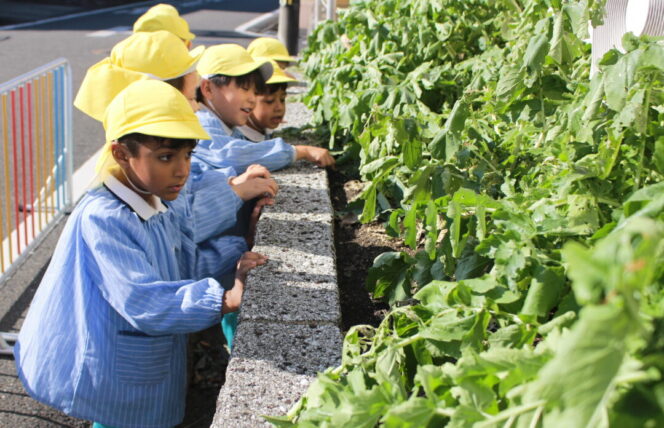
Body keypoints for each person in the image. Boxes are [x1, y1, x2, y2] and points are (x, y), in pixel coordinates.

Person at [14, 80, 267, 428]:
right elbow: (143, 300)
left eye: (188, 155)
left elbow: (185, 264)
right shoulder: (105, 218)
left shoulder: (157, 199)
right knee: (120, 418)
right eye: (166, 157)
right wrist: (225, 298)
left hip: (135, 361)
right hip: (113, 364)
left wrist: (240, 250)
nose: (182, 169)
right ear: (121, 154)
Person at [194, 43, 335, 175]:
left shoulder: (227, 127)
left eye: (255, 92)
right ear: (208, 89)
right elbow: (233, 155)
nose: (252, 99)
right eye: (244, 88)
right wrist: (298, 151)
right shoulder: (202, 124)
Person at [238, 59, 296, 142]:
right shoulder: (238, 140)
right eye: (270, 101)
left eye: (282, 100)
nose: (279, 108)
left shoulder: (263, 131)